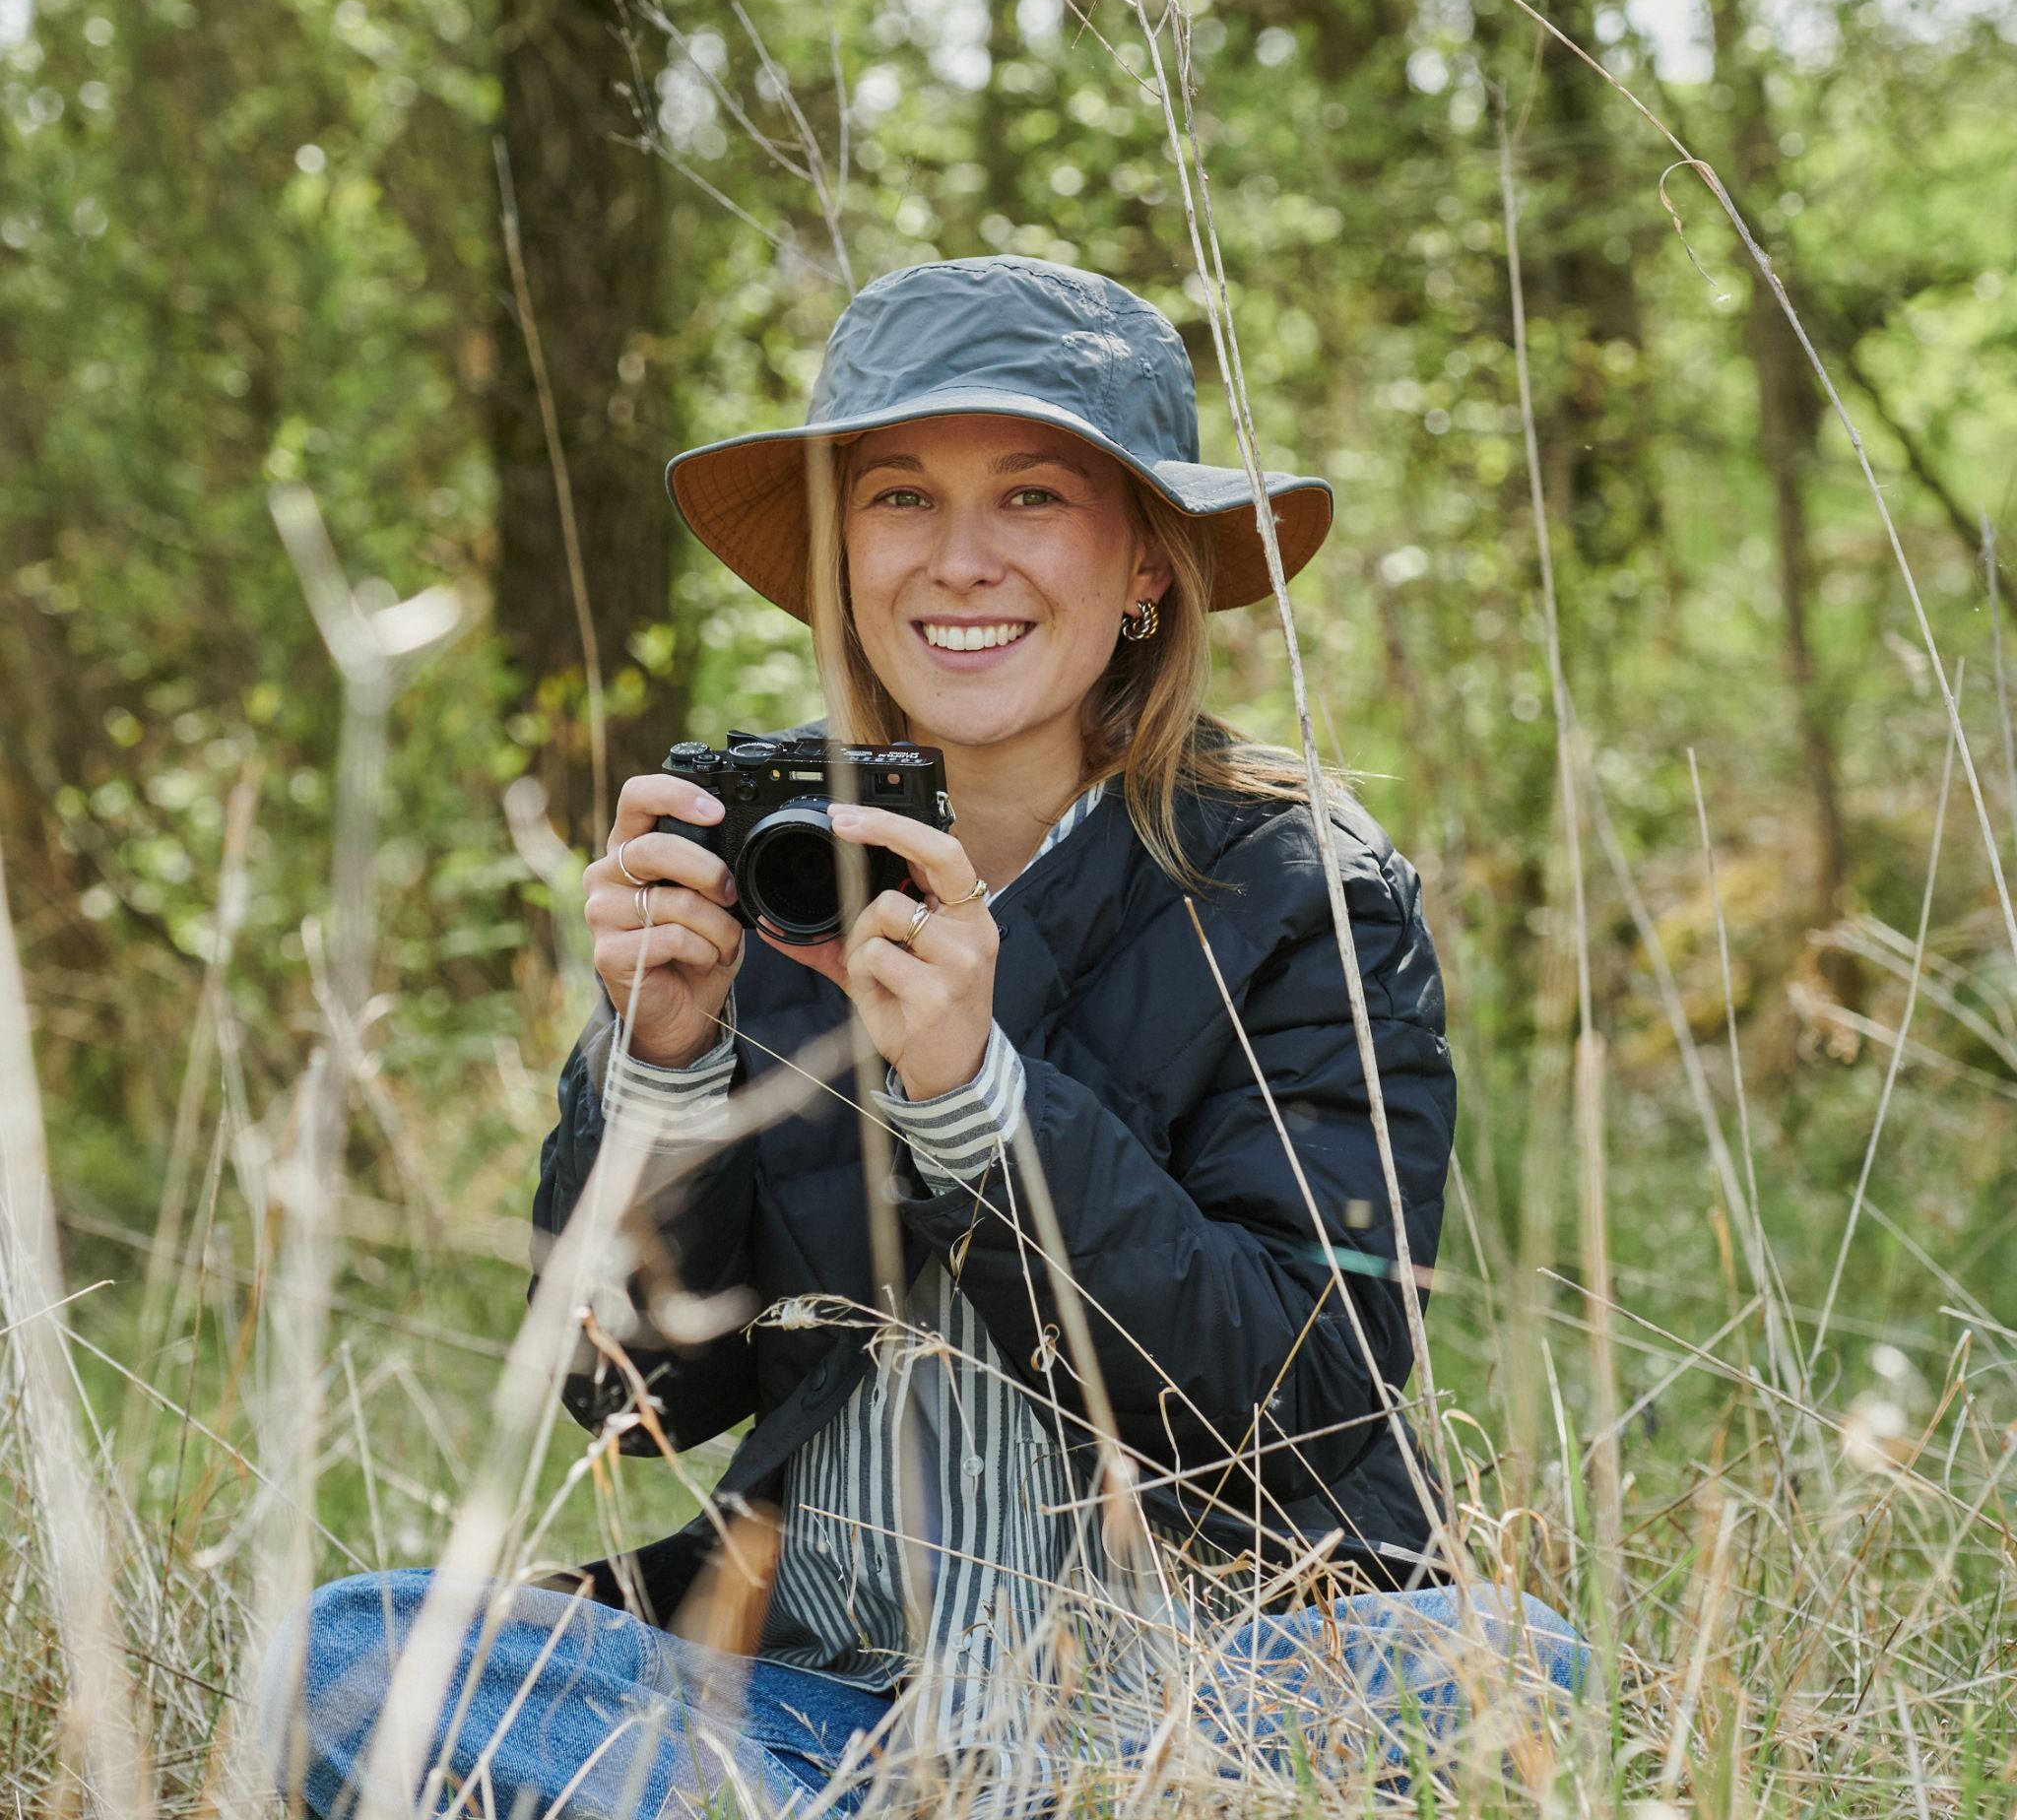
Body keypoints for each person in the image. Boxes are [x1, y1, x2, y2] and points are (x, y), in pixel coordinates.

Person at [263, 253, 1584, 1817]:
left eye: (1032, 496)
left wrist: (980, 1099)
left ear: (1147, 566)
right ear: (843, 559)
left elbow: (1306, 1398)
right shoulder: (767, 863)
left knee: (1499, 1666)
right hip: (805, 1696)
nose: (961, 561)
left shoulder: (1301, 889)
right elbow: (629, 1402)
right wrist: (662, 1065)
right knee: (347, 1654)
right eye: (900, 499)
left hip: (1190, 1683)